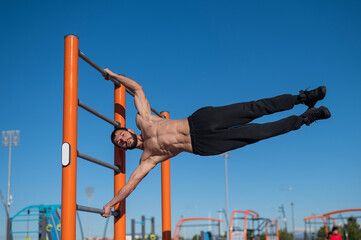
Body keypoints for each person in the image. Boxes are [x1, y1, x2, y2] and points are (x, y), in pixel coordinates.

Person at [101, 69, 331, 217]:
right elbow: (131, 184)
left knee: (254, 108)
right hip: (204, 146)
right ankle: (305, 118)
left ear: (127, 130)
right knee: (258, 133)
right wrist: (111, 203)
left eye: (120, 135)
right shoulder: (148, 158)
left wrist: (113, 76)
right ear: (124, 148)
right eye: (119, 143)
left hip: (199, 121)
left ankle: (304, 98)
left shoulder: (144, 120)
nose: (122, 140)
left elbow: (137, 89)